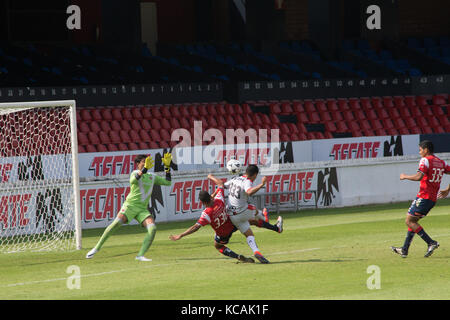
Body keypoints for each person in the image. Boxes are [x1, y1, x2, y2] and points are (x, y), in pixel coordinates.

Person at [86, 153, 173, 261]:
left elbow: (168, 183)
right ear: (137, 164)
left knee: (153, 228)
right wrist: (145, 169)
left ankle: (140, 255)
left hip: (142, 209)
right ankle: (96, 248)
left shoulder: (152, 176)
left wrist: (167, 168)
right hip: (130, 206)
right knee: (116, 224)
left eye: (147, 162)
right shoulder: (135, 173)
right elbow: (134, 180)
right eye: (143, 162)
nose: (146, 164)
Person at [210, 165, 283, 264]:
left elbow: (221, 185)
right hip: (241, 212)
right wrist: (261, 185)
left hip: (231, 215)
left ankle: (257, 251)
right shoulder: (247, 181)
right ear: (255, 175)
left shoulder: (234, 179)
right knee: (254, 210)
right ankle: (264, 217)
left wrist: (212, 189)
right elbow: (249, 192)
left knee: (249, 232)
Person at [392, 141, 450, 258]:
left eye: (420, 150)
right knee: (413, 221)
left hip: (424, 197)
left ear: (426, 150)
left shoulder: (425, 160)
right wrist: (448, 189)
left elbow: (419, 177)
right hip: (431, 198)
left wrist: (405, 176)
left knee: (409, 221)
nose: (419, 152)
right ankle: (404, 249)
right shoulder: (441, 162)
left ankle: (431, 242)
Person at [169, 185, 255, 263]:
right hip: (233, 224)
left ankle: (238, 257)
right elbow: (220, 187)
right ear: (210, 196)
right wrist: (212, 180)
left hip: (224, 234)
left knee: (218, 246)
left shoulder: (207, 213)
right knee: (247, 222)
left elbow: (195, 227)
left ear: (203, 203)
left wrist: (181, 235)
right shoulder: (219, 199)